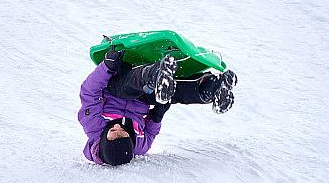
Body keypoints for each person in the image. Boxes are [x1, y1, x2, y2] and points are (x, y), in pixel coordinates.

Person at [77, 49, 236, 166]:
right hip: (143, 98)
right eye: (124, 132)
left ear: (104, 138)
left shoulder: (93, 125)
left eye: (112, 130)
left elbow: (89, 91)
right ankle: (210, 89)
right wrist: (157, 115)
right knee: (170, 94)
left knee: (125, 88)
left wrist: (107, 67)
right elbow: (151, 130)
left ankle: (154, 74)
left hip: (118, 85)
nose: (118, 126)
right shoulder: (140, 145)